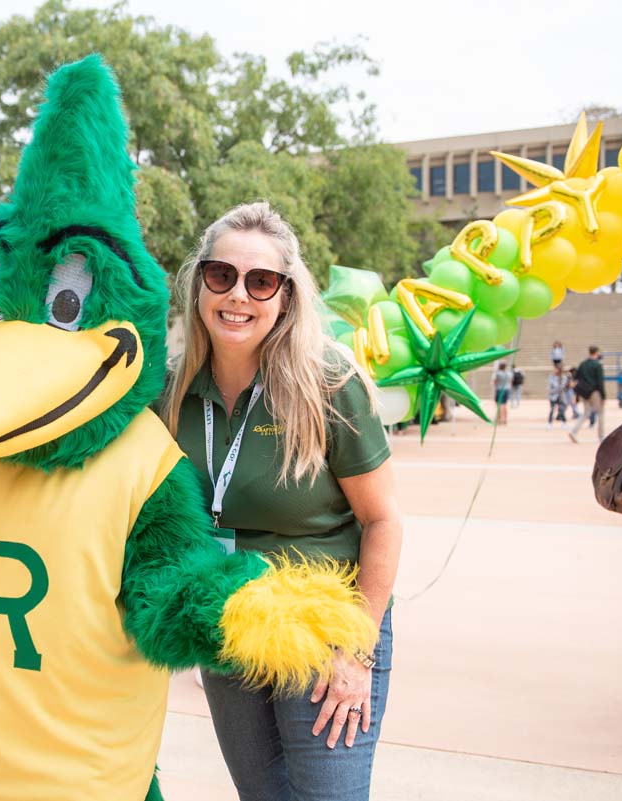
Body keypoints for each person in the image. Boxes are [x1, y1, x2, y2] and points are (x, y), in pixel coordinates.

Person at [161, 202, 402, 801]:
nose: (238, 295)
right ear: (199, 284)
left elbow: (383, 521)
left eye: (261, 281)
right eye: (222, 275)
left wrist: (357, 653)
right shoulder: (170, 388)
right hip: (228, 619)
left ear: (286, 296)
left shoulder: (328, 383)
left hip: (326, 632)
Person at [568, 345, 605, 443]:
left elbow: (576, 377)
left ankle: (573, 431)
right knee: (600, 413)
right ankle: (601, 436)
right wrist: (603, 396)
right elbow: (600, 382)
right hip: (594, 392)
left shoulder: (583, 364)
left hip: (584, 392)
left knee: (586, 413)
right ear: (596, 352)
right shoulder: (597, 365)